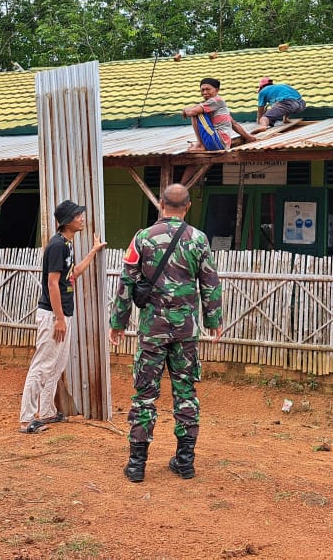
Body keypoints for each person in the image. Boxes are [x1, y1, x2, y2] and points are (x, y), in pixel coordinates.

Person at [108, 183, 222, 482]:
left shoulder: (142, 238)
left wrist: (118, 322)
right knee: (185, 391)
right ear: (188, 207)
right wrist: (213, 320)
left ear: (161, 204)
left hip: (153, 331)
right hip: (185, 331)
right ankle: (185, 461)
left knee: (145, 394)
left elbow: (126, 283)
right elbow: (210, 281)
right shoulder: (198, 239)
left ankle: (136, 465)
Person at [18, 199, 105, 434]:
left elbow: (72, 274)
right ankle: (27, 420)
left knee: (57, 365)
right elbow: (52, 283)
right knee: (42, 365)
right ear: (67, 221)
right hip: (53, 315)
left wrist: (93, 252)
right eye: (78, 215)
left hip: (63, 313)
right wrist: (58, 318)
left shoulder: (67, 245)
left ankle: (46, 411)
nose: (82, 218)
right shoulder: (57, 246)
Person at [181, 77, 256, 150]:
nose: (205, 92)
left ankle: (200, 144)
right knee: (198, 109)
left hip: (216, 141)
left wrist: (185, 109)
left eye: (208, 89)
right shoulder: (219, 103)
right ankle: (200, 143)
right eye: (202, 90)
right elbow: (234, 124)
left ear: (217, 90)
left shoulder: (215, 101)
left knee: (197, 113)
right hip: (221, 143)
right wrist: (249, 137)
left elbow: (192, 112)